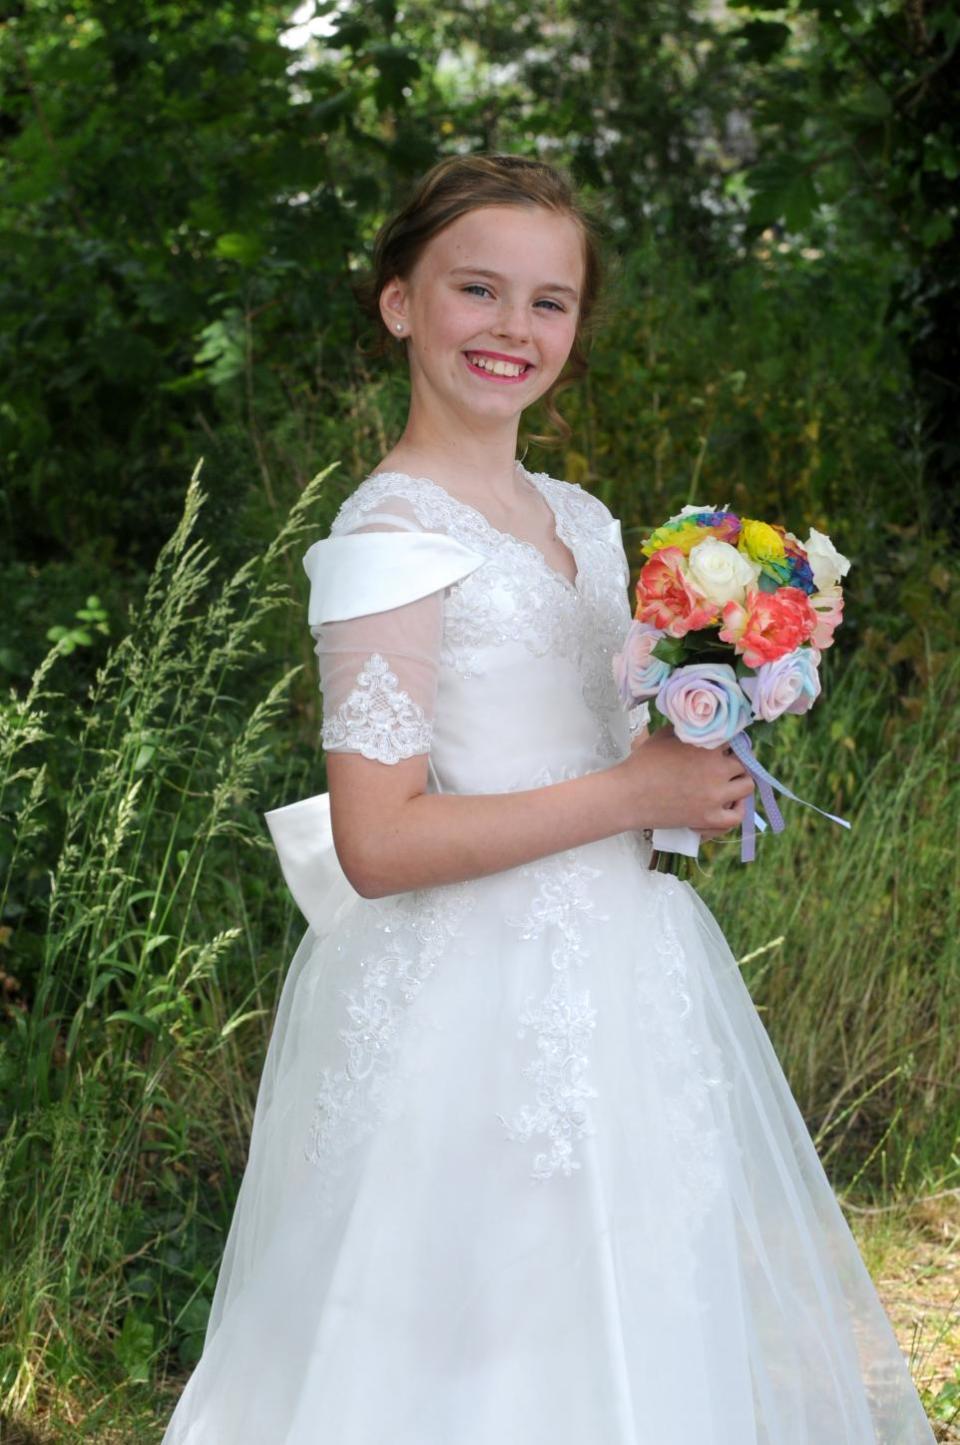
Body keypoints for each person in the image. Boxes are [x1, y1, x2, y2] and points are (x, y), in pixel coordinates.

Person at [162, 154, 935, 1444]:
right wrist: (628, 786)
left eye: (550, 301)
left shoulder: (579, 517)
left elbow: (567, 746)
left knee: (630, 1319)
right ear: (400, 301)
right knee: (481, 1345)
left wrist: (684, 786)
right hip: (474, 1005)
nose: (513, 329)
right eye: (477, 289)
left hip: (623, 977)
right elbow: (379, 839)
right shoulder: (384, 542)